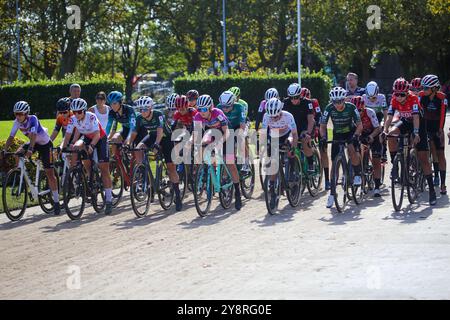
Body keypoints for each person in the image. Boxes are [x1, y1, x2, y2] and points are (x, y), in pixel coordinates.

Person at [382, 78, 437, 205]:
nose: (399, 97)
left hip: (419, 124)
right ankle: (395, 163)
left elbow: (416, 117)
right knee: (391, 134)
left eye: (402, 94)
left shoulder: (413, 99)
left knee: (423, 157)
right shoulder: (394, 99)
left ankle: (432, 190)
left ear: (407, 92)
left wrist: (417, 133)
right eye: (397, 94)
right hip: (406, 121)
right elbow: (389, 117)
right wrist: (385, 130)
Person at [2, 101, 61, 215]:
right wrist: (4, 150)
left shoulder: (33, 119)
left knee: (49, 173)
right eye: (16, 114)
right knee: (16, 154)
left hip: (45, 144)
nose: (18, 116)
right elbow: (11, 137)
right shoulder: (17, 122)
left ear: (26, 113)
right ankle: (20, 174)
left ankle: (57, 201)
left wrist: (30, 150)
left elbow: (33, 135)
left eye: (20, 114)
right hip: (33, 143)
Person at [127, 96, 183, 211]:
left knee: (171, 167)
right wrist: (128, 143)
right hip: (152, 136)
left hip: (166, 137)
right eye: (141, 109)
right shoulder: (139, 118)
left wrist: (157, 144)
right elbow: (134, 132)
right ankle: (142, 171)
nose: (143, 112)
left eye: (145, 109)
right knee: (139, 148)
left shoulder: (158, 114)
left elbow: (160, 131)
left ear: (151, 108)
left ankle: (177, 195)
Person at [62, 98, 113, 214]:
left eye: (79, 112)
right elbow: (68, 135)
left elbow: (97, 135)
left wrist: (91, 146)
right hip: (86, 137)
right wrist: (64, 149)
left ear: (84, 111)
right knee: (76, 147)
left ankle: (109, 200)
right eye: (74, 112)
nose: (76, 114)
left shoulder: (91, 116)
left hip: (99, 138)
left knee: (104, 167)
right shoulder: (73, 119)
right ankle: (86, 177)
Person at [192, 94, 243, 210]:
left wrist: (220, 142)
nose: (202, 112)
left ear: (210, 108)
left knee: (230, 163)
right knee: (202, 145)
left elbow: (227, 133)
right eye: (199, 109)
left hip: (226, 134)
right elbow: (196, 134)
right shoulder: (198, 116)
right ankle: (206, 169)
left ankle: (238, 193)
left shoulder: (218, 113)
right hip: (212, 133)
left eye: (204, 109)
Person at [320, 87, 363, 209]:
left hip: (350, 132)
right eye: (335, 102)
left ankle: (358, 173)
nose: (337, 104)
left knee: (351, 148)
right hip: (337, 133)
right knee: (334, 164)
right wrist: (323, 137)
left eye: (339, 101)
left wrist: (356, 136)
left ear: (344, 100)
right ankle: (332, 194)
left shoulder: (351, 107)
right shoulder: (329, 108)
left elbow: (359, 125)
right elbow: (322, 125)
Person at [259, 98, 299, 209]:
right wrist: (262, 146)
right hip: (275, 136)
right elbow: (263, 133)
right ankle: (273, 191)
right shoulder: (266, 116)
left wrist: (293, 149)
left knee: (290, 147)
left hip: (287, 135)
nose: (274, 119)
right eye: (272, 117)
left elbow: (295, 134)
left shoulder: (288, 116)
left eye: (276, 116)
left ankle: (292, 173)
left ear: (281, 110)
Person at [419, 74, 447, 194]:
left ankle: (442, 184)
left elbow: (442, 115)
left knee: (440, 154)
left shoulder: (442, 98)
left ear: (434, 89)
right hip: (425, 127)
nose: (423, 90)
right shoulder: (421, 96)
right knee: (426, 149)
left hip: (437, 128)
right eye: (423, 87)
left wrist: (440, 129)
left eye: (426, 88)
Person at [351, 96, 383, 197]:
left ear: (364, 107)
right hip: (361, 134)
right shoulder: (351, 114)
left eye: (360, 110)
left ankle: (377, 187)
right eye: (355, 110)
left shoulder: (370, 112)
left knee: (376, 160)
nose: (358, 112)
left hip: (373, 132)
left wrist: (371, 136)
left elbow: (377, 128)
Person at [300, 87, 331, 190]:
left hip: (317, 126)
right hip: (306, 126)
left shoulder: (314, 102)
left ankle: (327, 180)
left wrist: (317, 128)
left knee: (323, 151)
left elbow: (318, 116)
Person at [284, 83, 316, 172]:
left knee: (304, 140)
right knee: (287, 142)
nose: (293, 100)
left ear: (300, 95)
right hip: (292, 127)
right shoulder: (285, 103)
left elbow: (310, 120)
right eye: (291, 97)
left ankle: (310, 163)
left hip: (305, 126)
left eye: (296, 97)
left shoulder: (307, 102)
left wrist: (308, 133)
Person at [105, 91, 137, 157]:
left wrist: (128, 140)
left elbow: (132, 127)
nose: (112, 106)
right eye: (110, 104)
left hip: (136, 129)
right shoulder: (112, 112)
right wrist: (105, 139)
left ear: (120, 102)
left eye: (114, 103)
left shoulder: (129, 110)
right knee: (113, 140)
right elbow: (109, 126)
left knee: (133, 149)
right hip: (125, 128)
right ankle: (117, 160)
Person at [363, 81, 388, 161]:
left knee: (381, 129)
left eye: (374, 97)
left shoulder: (381, 97)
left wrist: (384, 123)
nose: (371, 99)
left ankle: (384, 151)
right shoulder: (363, 97)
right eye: (369, 98)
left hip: (378, 116)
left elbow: (385, 112)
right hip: (368, 117)